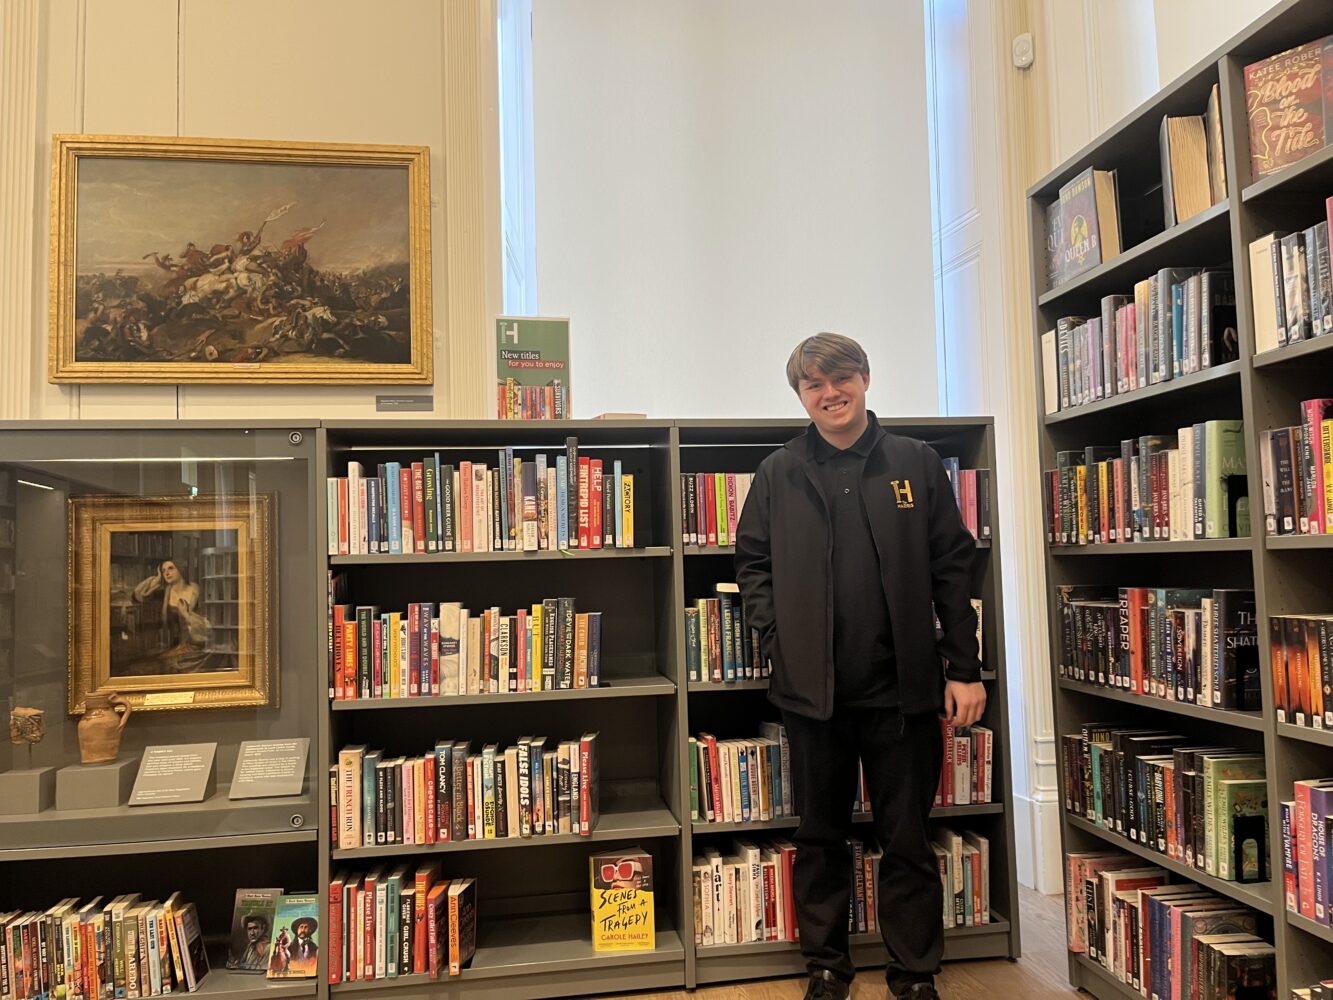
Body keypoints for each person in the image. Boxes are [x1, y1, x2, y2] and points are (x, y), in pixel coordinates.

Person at [735, 333, 984, 1000]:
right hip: (810, 696)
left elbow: (952, 569)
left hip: (902, 694)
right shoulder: (777, 471)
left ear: (865, 379)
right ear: (800, 396)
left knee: (906, 840)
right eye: (812, 385)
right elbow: (751, 565)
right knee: (819, 837)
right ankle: (824, 966)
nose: (828, 393)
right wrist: (773, 637)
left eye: (839, 378)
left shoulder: (915, 462)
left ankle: (914, 973)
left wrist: (965, 668)